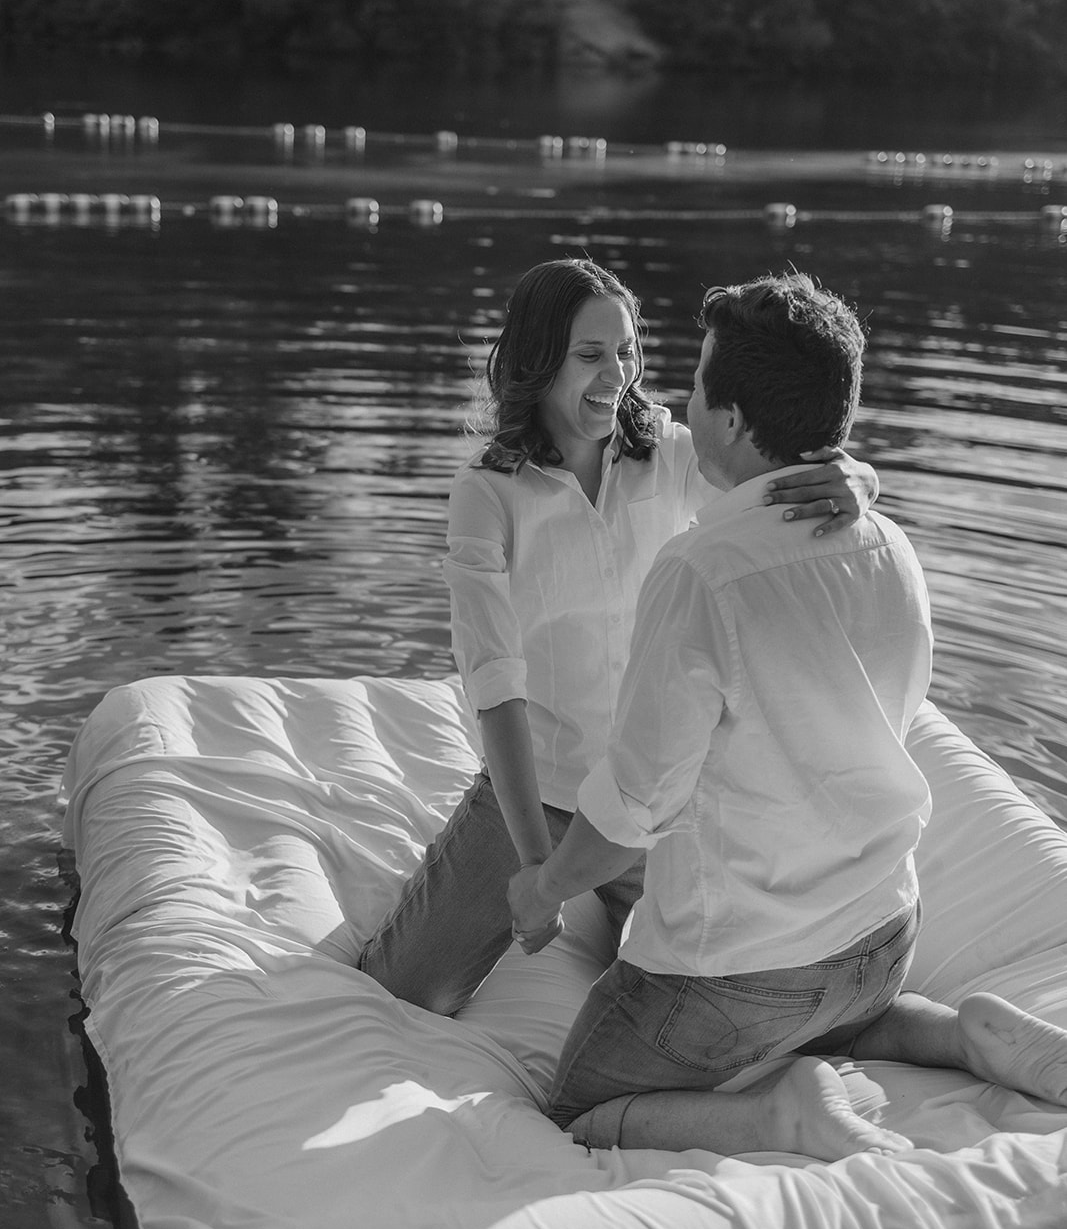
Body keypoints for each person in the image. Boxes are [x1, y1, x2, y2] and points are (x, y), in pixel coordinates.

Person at [509, 270, 1067, 1160]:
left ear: (728, 422)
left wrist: (541, 888)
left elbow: (631, 813)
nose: (679, 405)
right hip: (878, 941)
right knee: (829, 1010)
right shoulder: (891, 545)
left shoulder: (700, 571)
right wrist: (858, 472)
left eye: (693, 388)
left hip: (737, 978)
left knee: (572, 1114)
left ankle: (780, 1113)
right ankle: (963, 1036)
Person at [358, 258, 879, 1019]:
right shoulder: (487, 494)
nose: (618, 374)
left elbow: (775, 471)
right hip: (541, 789)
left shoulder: (669, 453)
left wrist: (858, 479)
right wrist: (538, 870)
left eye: (628, 350)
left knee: (678, 998)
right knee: (408, 990)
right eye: (590, 354)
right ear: (537, 362)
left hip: (656, 795)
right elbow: (494, 684)